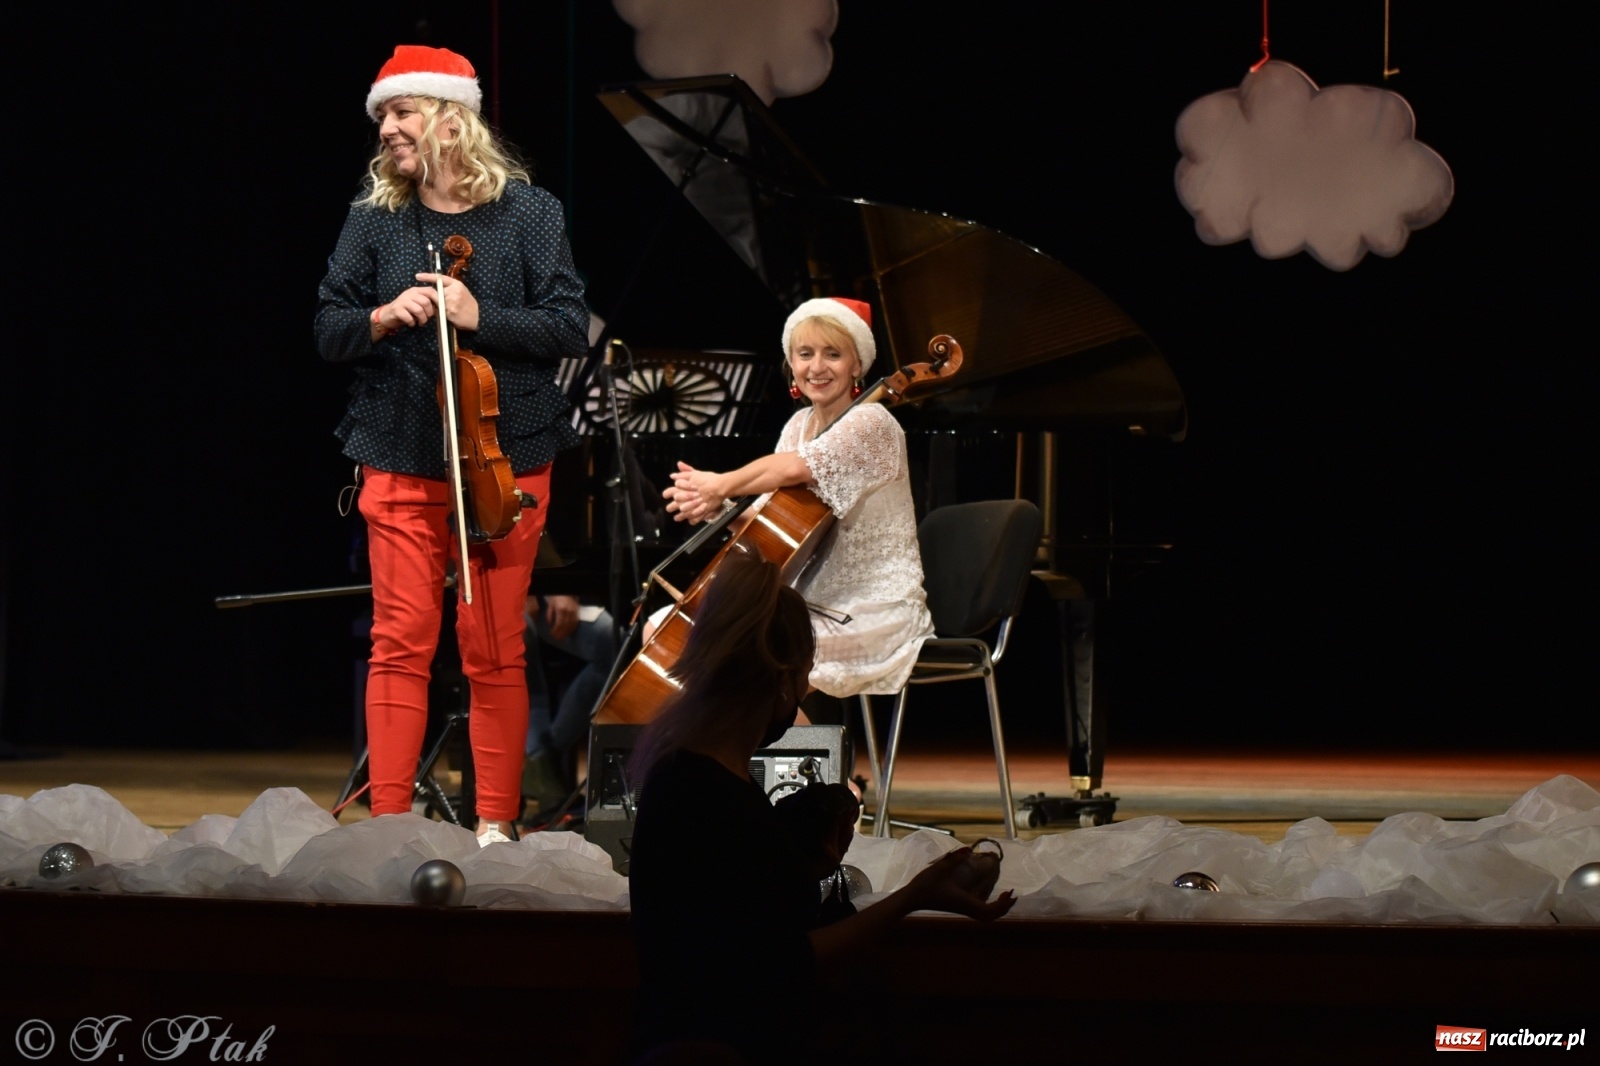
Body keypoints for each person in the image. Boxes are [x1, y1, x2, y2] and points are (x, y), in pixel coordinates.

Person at [314, 45, 588, 844]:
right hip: (397, 446)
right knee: (399, 643)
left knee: (494, 647)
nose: (386, 129)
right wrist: (377, 318)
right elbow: (328, 325)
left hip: (506, 457)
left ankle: (495, 823)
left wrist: (478, 316)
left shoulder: (531, 213)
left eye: (400, 112)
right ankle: (390, 825)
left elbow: (568, 326)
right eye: (383, 116)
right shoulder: (375, 218)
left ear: (448, 118)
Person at [626, 556, 1014, 1064]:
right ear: (782, 678)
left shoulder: (689, 774)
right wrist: (915, 895)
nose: (806, 692)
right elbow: (784, 965)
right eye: (806, 677)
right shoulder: (711, 798)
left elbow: (735, 917)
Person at [660, 297, 934, 701]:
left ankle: (780, 744)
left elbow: (793, 468)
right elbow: (777, 530)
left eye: (833, 354)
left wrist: (721, 484)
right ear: (791, 363)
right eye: (805, 354)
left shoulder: (872, 422)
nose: (817, 367)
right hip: (806, 604)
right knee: (664, 629)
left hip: (873, 609)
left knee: (752, 658)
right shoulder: (798, 425)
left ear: (857, 365)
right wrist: (719, 510)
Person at [521, 591, 616, 817]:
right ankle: (538, 762)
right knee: (520, 632)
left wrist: (561, 590)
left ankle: (543, 761)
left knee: (611, 638)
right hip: (501, 594)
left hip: (555, 589)